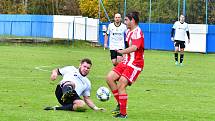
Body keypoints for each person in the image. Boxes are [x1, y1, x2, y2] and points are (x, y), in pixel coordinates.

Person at [106, 11, 144, 119]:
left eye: (126, 19)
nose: (124, 21)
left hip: (135, 63)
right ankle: (120, 104)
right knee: (109, 78)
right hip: (127, 60)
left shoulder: (137, 32)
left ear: (132, 20)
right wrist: (123, 56)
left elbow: (135, 47)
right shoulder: (128, 31)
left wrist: (121, 52)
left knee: (122, 83)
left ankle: (123, 113)